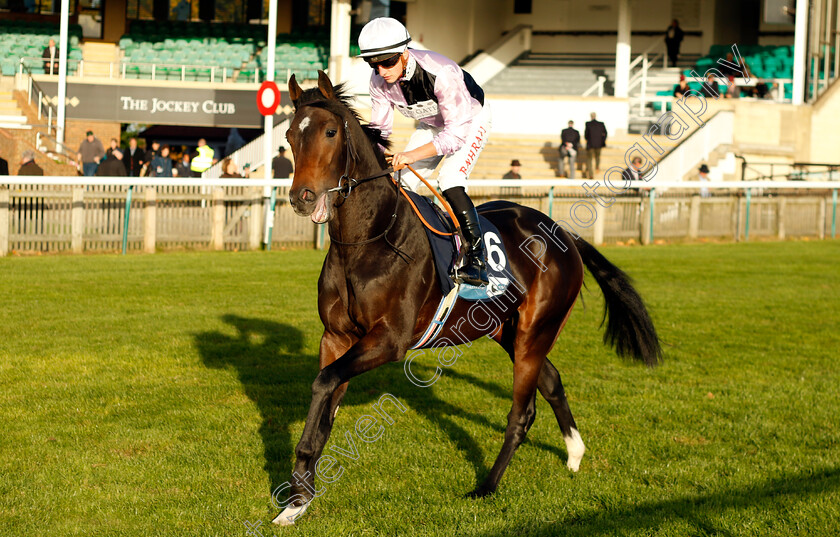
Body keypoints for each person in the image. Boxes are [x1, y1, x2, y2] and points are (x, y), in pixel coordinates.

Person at [359, 17, 491, 286]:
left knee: (450, 180)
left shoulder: (441, 73)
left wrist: (409, 156)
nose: (381, 71)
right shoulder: (378, 81)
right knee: (400, 182)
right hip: (433, 124)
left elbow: (455, 134)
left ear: (404, 53)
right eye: (374, 64)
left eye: (387, 62)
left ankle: (478, 261)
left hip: (469, 120)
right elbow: (380, 131)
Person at [584, 112, 607, 178]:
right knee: (597, 156)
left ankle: (591, 174)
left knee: (589, 159)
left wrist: (588, 139)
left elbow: (586, 134)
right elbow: (605, 133)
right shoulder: (601, 124)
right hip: (598, 143)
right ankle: (597, 166)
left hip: (590, 144)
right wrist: (602, 140)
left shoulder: (588, 124)